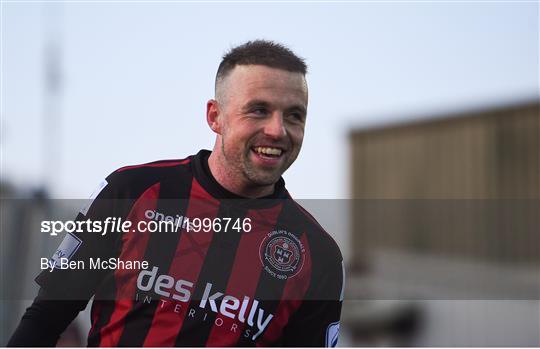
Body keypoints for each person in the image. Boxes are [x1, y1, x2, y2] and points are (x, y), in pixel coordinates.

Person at [8, 40, 344, 347]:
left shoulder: (318, 256)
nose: (277, 130)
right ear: (215, 116)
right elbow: (44, 321)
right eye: (258, 110)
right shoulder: (130, 193)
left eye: (294, 115)